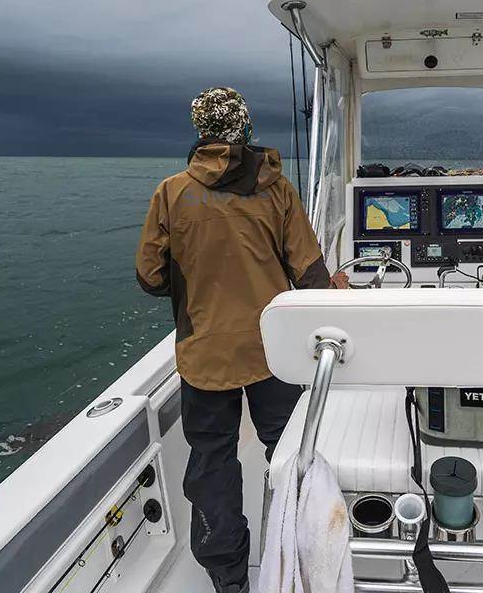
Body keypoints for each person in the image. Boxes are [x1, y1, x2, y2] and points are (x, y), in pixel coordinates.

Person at [135, 86, 346, 593]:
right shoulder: (276, 189)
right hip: (272, 354)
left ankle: (231, 581)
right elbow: (311, 276)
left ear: (202, 132)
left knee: (213, 467)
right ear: (246, 128)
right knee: (293, 454)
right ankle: (299, 562)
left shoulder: (172, 192)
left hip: (204, 357)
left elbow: (150, 277)